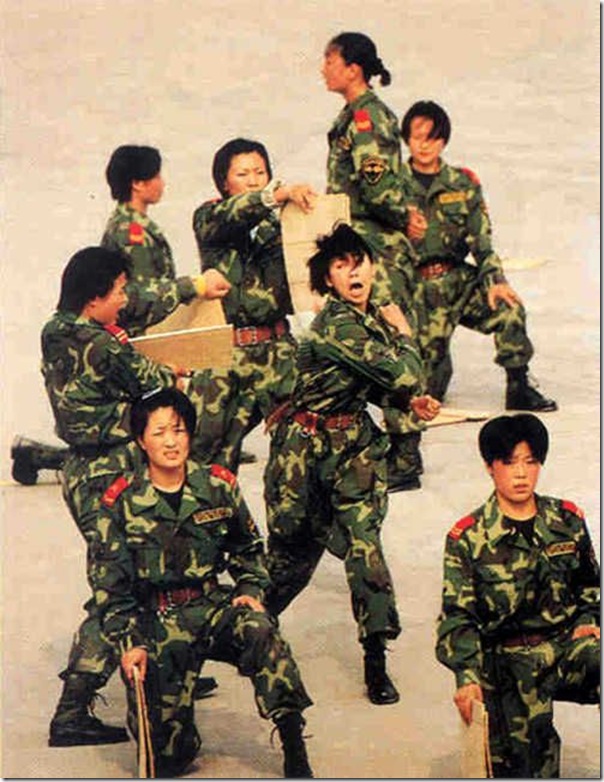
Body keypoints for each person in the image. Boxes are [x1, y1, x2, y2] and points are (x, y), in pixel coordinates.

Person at [92, 387, 314, 778]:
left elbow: (248, 549)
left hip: (212, 607)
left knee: (260, 629)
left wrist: (250, 590)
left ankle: (294, 743)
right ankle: (178, 734)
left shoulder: (217, 486)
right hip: (158, 621)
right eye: (159, 432)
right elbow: (111, 587)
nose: (171, 442)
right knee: (167, 761)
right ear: (141, 440)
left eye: (178, 430)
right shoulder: (121, 502)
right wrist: (131, 644)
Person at [264, 224, 440, 706]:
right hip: (304, 455)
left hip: (353, 450)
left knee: (365, 549)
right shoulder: (340, 324)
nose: (353, 271)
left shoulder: (367, 320)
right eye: (341, 266)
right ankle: (244, 628)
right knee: (292, 557)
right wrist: (405, 336)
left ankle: (375, 659)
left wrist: (407, 402)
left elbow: (373, 382)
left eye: (359, 261)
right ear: (328, 280)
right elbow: (401, 370)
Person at [42, 247, 209, 747]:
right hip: (110, 474)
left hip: (81, 468)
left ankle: (166, 668)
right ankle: (72, 710)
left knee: (138, 575)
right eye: (117, 291)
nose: (124, 299)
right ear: (93, 299)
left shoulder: (56, 329)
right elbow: (157, 383)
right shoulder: (106, 347)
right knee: (120, 584)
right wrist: (177, 373)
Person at [10, 145, 232, 485]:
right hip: (132, 341)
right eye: (155, 176)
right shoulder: (131, 233)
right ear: (138, 184)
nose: (162, 183)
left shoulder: (133, 227)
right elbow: (135, 300)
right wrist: (193, 287)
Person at [435, 413, 599, 777]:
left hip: (565, 649)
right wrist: (467, 677)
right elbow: (458, 617)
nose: (521, 474)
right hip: (508, 664)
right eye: (510, 463)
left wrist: (589, 620)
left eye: (531, 461)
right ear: (490, 467)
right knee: (528, 769)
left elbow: (590, 586)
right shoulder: (468, 538)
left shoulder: (567, 520)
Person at [322, 31, 429, 491]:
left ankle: (406, 453)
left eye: (330, 61)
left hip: (377, 248)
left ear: (353, 69)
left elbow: (377, 186)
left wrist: (403, 216)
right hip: (364, 242)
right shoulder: (353, 115)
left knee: (389, 336)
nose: (323, 69)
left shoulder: (366, 118)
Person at [400, 100, 557, 411]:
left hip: (458, 281)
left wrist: (496, 281)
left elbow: (482, 241)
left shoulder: (463, 184)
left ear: (444, 140)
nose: (425, 145)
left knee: (509, 308)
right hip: (416, 289)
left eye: (433, 137)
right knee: (429, 390)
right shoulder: (392, 186)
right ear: (407, 139)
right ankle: (434, 366)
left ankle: (519, 386)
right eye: (418, 137)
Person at [192, 137, 317, 472]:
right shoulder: (210, 217)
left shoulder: (284, 225)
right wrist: (273, 196)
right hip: (227, 355)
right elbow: (235, 213)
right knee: (209, 452)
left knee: (301, 443)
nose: (253, 180)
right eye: (243, 174)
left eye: (260, 173)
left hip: (277, 350)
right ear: (224, 182)